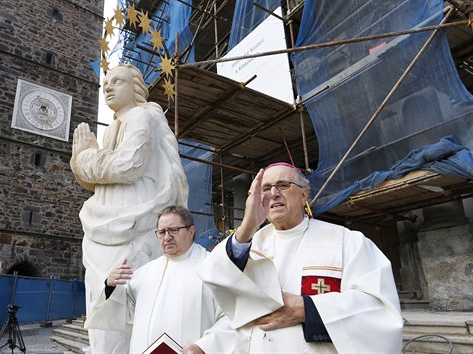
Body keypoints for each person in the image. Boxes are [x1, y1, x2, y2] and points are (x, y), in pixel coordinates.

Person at [198, 163, 403, 353]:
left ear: (304, 195)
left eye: (283, 185)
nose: (274, 193)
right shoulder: (245, 244)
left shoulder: (346, 242)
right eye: (266, 188)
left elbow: (379, 310)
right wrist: (247, 227)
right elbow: (216, 281)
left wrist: (308, 310)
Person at [71, 64, 188, 353]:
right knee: (108, 318)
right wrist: (84, 161)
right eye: (106, 83)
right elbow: (103, 182)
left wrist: (86, 158)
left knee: (116, 323)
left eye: (117, 81)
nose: (108, 87)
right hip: (109, 226)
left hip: (128, 225)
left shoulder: (139, 116)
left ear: (135, 89)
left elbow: (128, 165)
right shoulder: (116, 125)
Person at [85, 206, 233, 354]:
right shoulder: (145, 273)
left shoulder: (212, 268)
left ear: (191, 231)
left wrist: (203, 346)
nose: (167, 237)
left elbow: (233, 318)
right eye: (162, 232)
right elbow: (126, 314)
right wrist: (110, 286)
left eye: (173, 230)